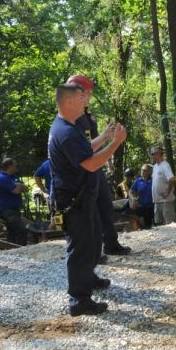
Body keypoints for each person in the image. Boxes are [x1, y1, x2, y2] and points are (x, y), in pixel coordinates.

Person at [48, 82, 127, 317]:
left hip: (83, 198)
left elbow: (86, 151)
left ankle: (88, 278)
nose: (85, 104)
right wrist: (116, 142)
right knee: (80, 248)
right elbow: (91, 163)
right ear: (70, 102)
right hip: (75, 201)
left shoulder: (68, 126)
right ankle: (79, 299)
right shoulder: (66, 132)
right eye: (82, 99)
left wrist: (103, 137)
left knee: (92, 242)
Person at [66, 75, 132, 258]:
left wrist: (105, 136)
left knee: (104, 206)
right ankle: (91, 253)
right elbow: (80, 150)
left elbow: (90, 143)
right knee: (88, 212)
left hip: (96, 167)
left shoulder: (87, 115)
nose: (91, 95)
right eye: (88, 91)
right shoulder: (72, 118)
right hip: (83, 171)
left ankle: (110, 244)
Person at [0, 158, 29, 246]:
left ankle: (12, 250)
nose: (16, 167)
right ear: (10, 166)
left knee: (12, 232)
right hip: (7, 210)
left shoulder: (13, 177)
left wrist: (18, 186)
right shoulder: (2, 178)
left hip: (14, 210)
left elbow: (26, 188)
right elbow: (16, 191)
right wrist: (18, 186)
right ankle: (21, 250)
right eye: (14, 165)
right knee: (21, 231)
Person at [150, 146, 176, 225]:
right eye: (151, 154)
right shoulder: (155, 167)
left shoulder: (165, 165)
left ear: (159, 154)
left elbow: (172, 180)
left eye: (153, 154)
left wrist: (167, 193)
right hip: (157, 201)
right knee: (159, 223)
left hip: (166, 201)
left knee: (169, 224)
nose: (152, 156)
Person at [130, 164, 154, 229]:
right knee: (130, 211)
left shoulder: (153, 180)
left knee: (151, 225)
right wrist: (133, 199)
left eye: (145, 170)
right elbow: (131, 191)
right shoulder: (138, 181)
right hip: (142, 206)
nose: (142, 172)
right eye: (141, 170)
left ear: (149, 172)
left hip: (153, 206)